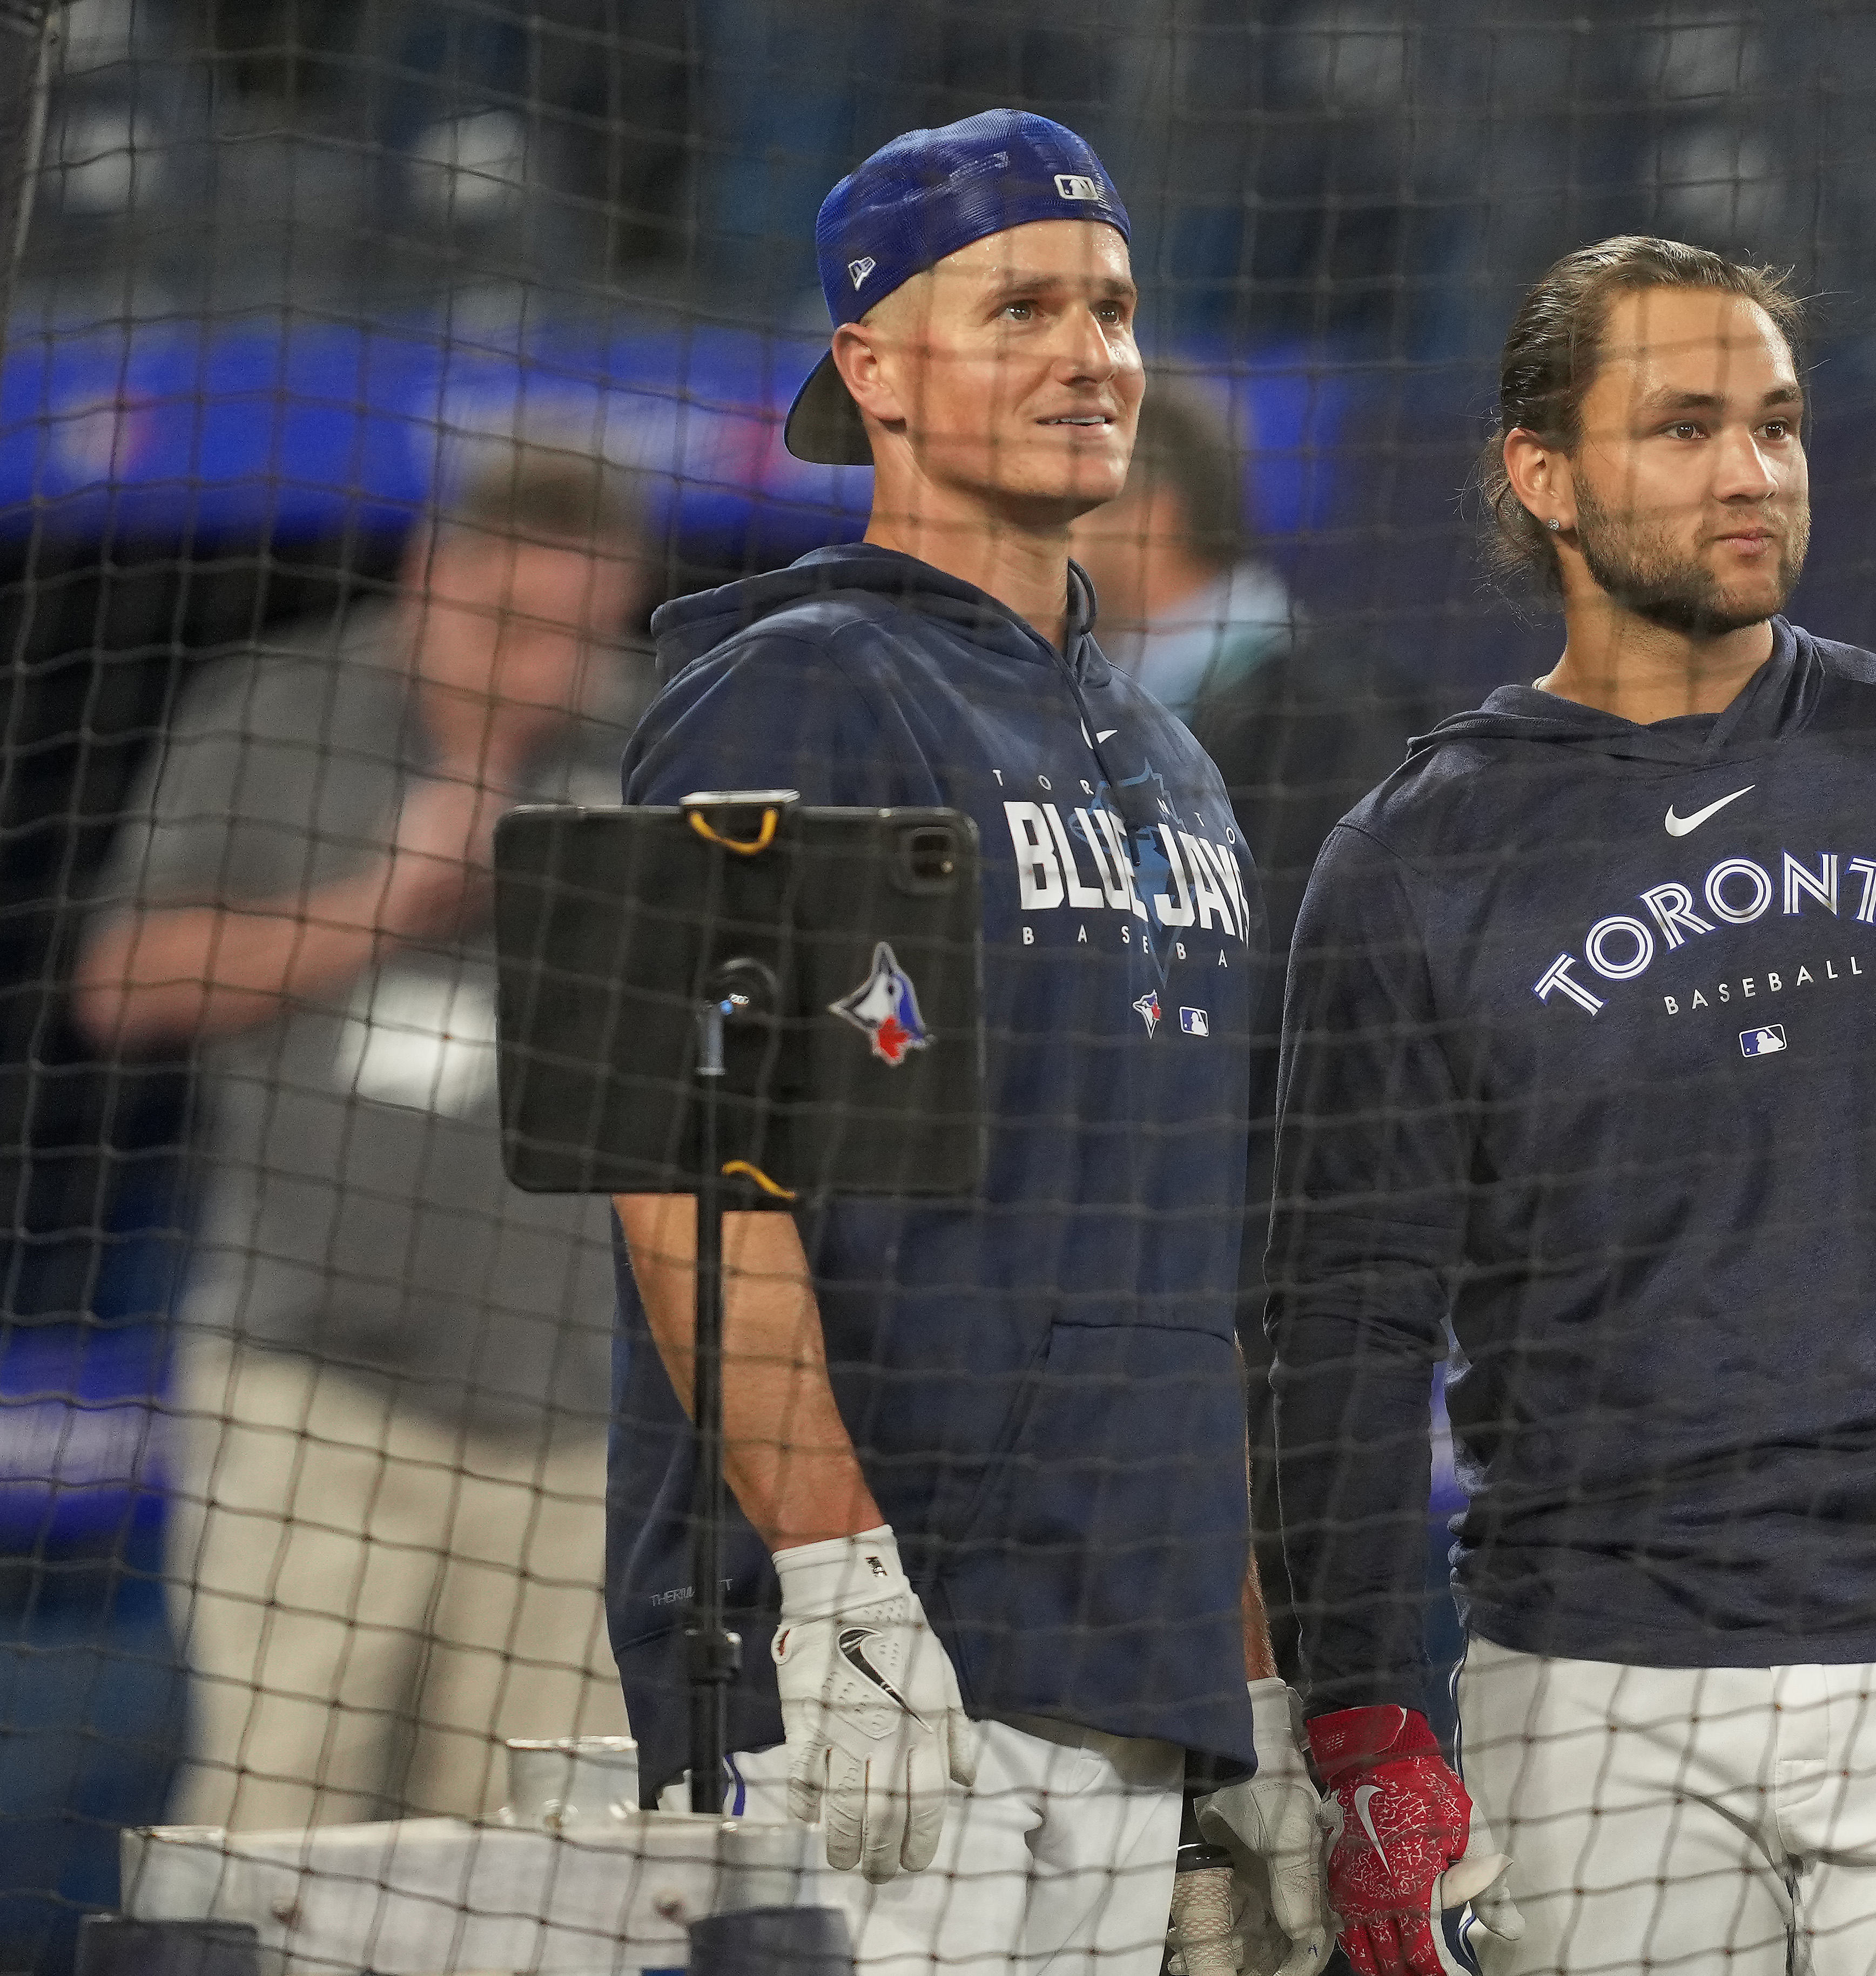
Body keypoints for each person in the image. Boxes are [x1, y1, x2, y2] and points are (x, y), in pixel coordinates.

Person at [1266, 233, 1876, 1976]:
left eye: (1780, 424)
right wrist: (1364, 1722)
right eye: (1685, 427)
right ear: (1540, 473)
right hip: (1592, 1695)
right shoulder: (1416, 859)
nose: (1752, 471)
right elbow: (1340, 1328)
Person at [601, 111, 1328, 1974]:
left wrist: (1237, 1675)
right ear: (874, 367)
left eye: (1112, 308)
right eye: (1020, 308)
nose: (1091, 354)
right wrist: (839, 1588)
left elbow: (1186, 1270)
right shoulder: (787, 685)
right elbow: (675, 1172)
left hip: (1121, 1671)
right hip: (875, 1677)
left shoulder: (1168, 757)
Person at [73, 447, 645, 1827]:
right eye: (504, 624)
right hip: (314, 1384)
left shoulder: (665, 747)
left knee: (533, 1855)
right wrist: (385, 899)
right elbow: (123, 984)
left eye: (572, 636)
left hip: (577, 1421)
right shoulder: (278, 709)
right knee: (282, 1814)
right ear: (425, 579)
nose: (532, 668)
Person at [1070, 376, 1446, 1692]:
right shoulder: (1068, 714)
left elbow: (1311, 1028)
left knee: (1259, 1724)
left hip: (1258, 1331)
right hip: (1117, 1321)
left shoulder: (1331, 715)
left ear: (1151, 506)